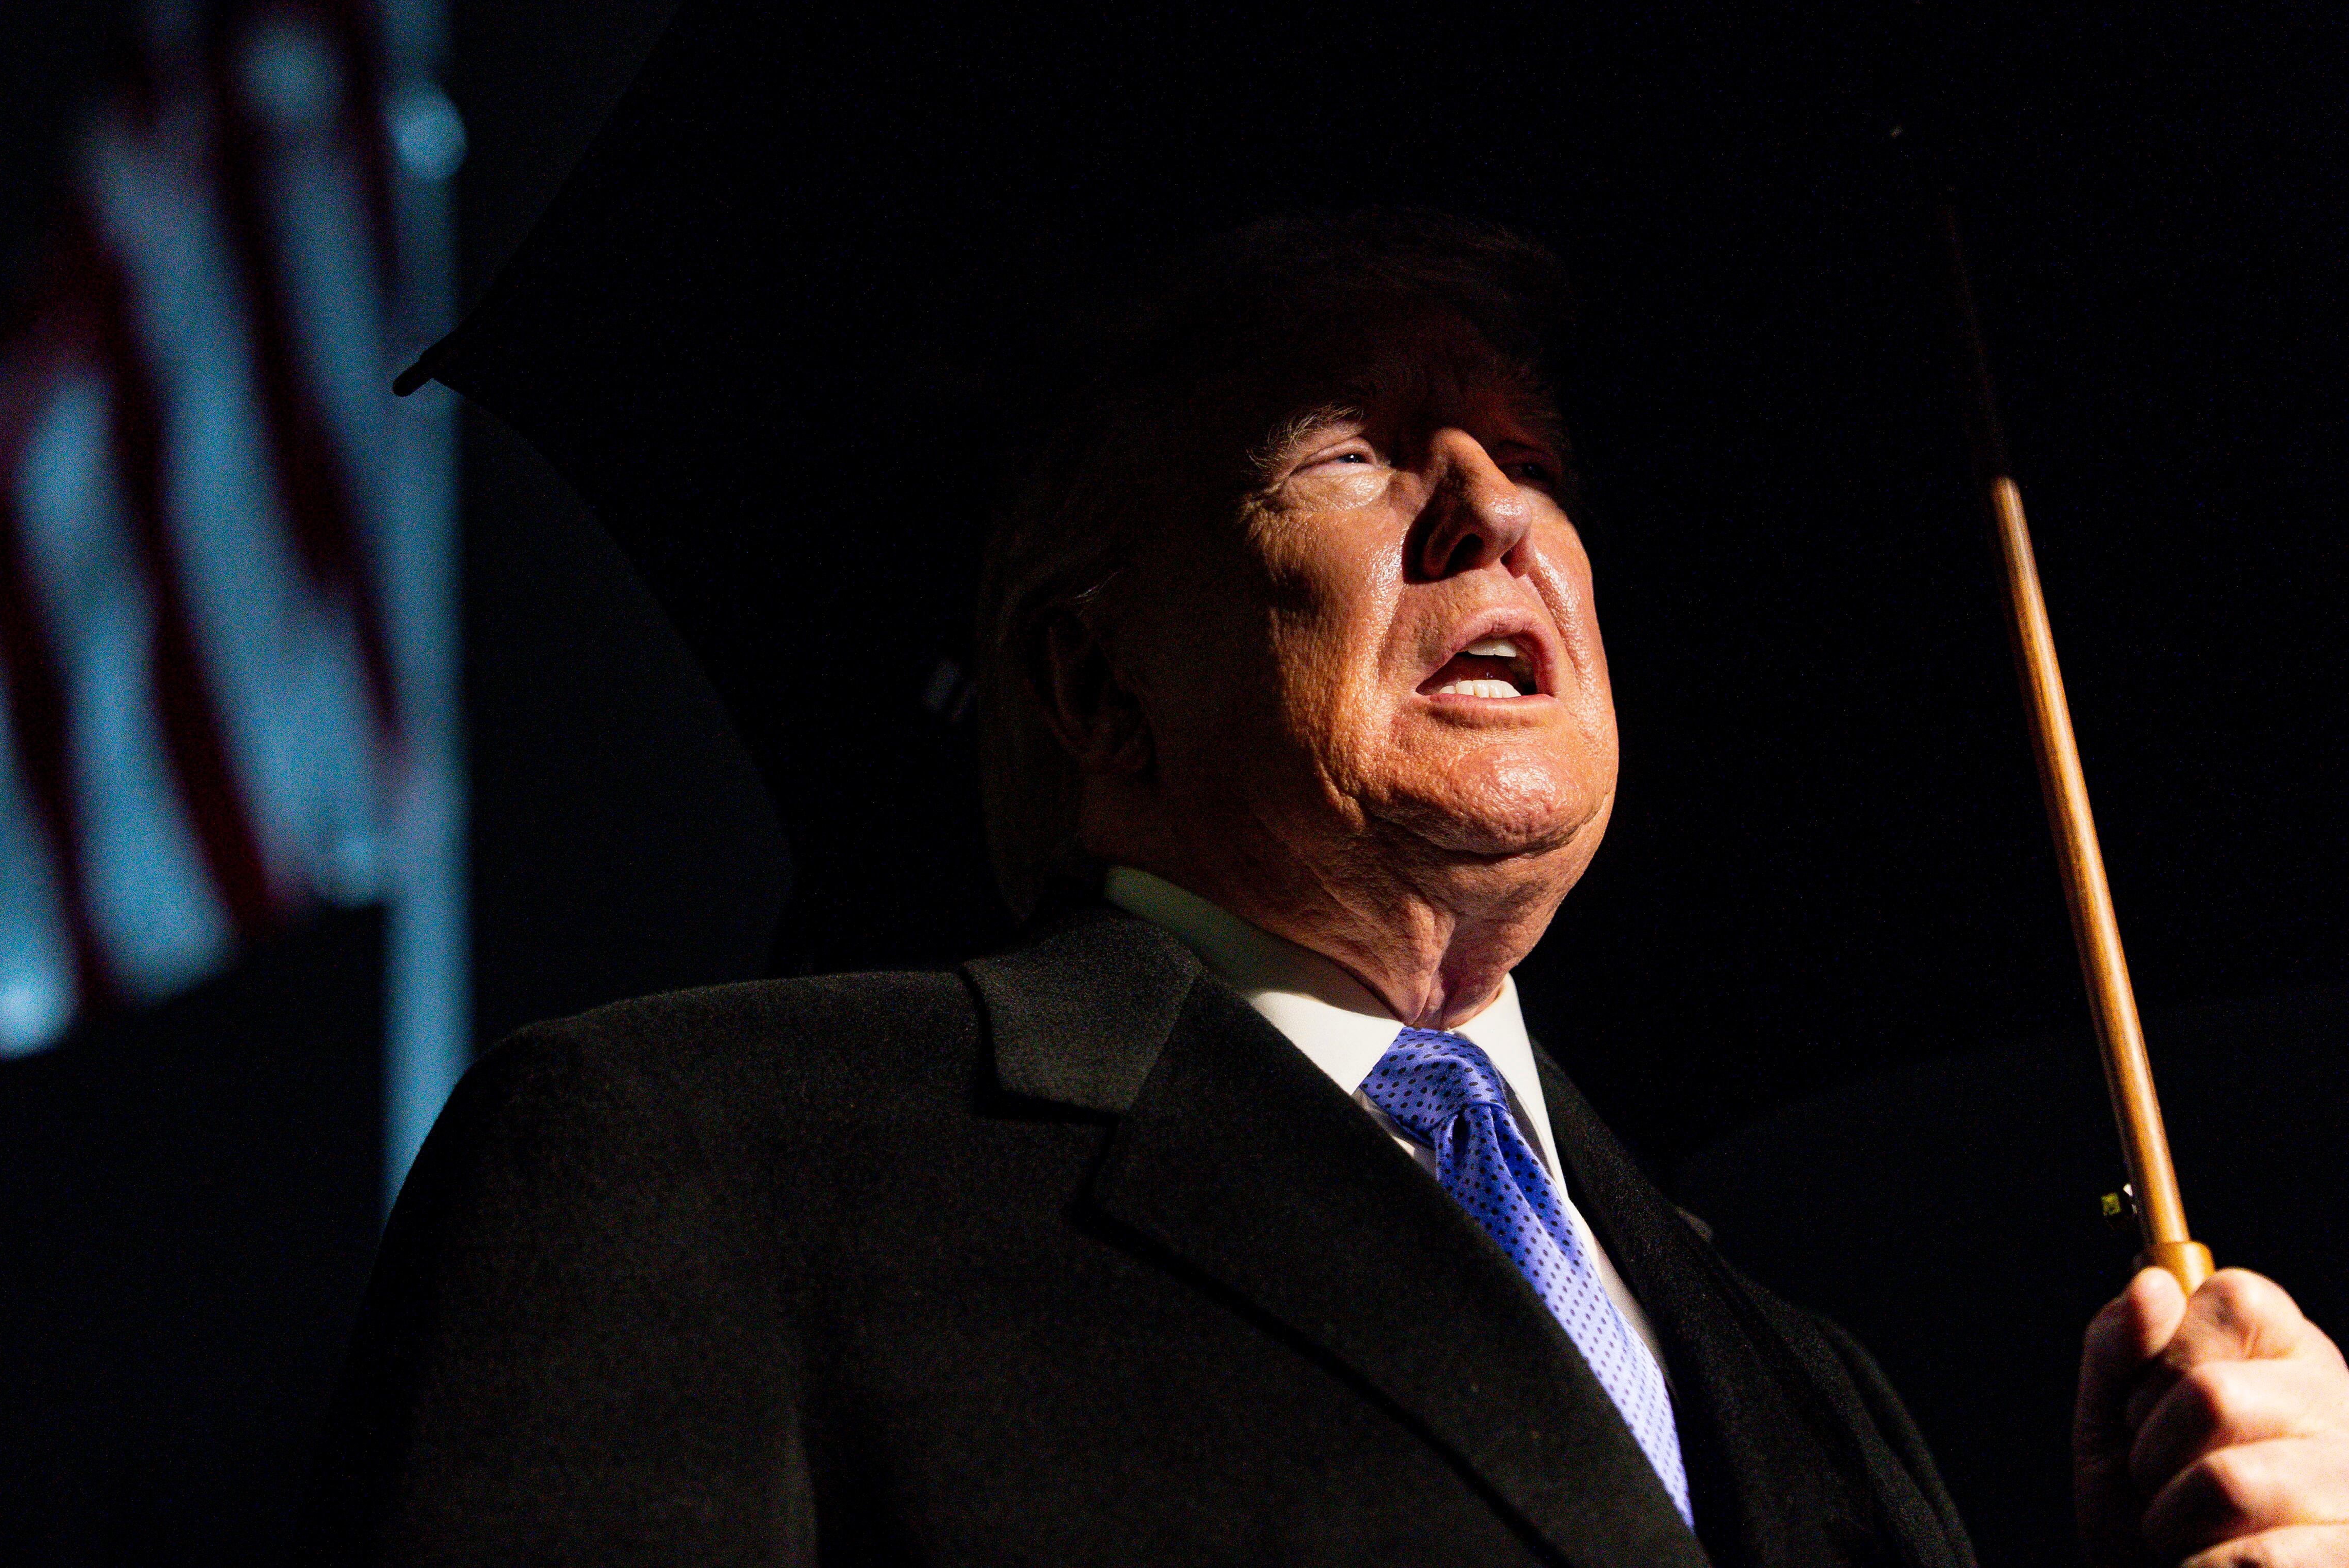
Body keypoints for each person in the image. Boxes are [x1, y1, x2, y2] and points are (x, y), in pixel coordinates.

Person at [298, 212, 2349, 1566]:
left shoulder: (1811, 1378)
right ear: (1093, 678)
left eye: (1529, 454)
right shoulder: (700, 1159)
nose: (1489, 506)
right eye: (1355, 452)